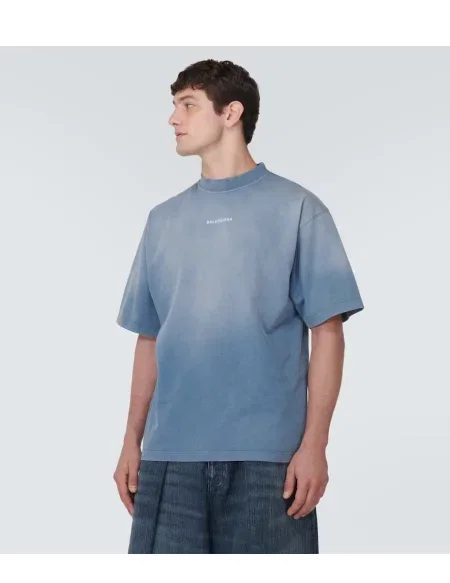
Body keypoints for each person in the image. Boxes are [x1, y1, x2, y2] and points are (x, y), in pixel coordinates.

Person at [113, 59, 364, 553]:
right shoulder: (162, 221)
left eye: (188, 105)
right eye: (174, 106)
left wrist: (315, 445)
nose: (173, 119)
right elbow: (150, 337)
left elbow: (328, 331)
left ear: (231, 113)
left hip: (268, 464)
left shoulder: (297, 209)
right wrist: (130, 441)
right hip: (169, 460)